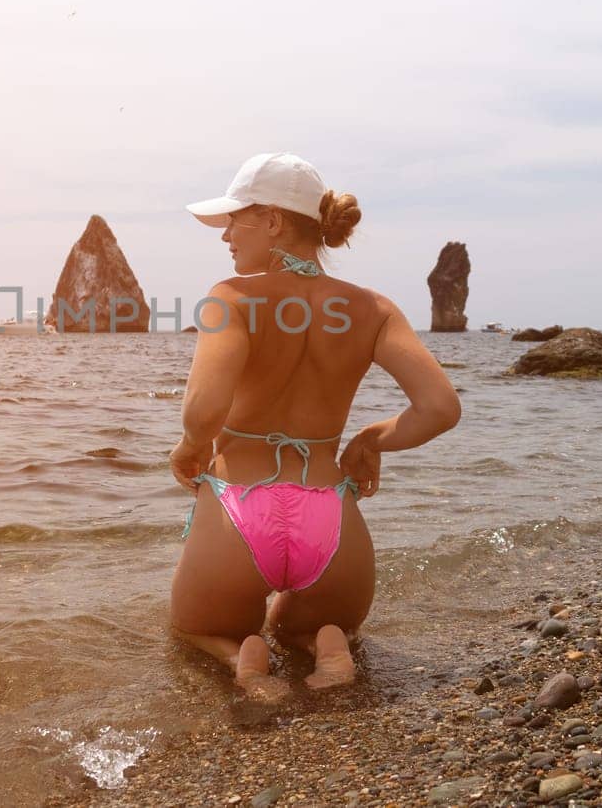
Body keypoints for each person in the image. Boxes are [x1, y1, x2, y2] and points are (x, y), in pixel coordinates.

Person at [169, 152, 461, 698]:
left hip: (238, 514)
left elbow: (204, 412)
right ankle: (322, 640)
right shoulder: (373, 308)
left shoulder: (231, 296)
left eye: (236, 218)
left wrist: (190, 446)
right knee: (307, 623)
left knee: (195, 630)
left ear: (274, 220)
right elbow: (441, 409)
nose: (226, 235)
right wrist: (373, 438)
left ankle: (240, 657)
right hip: (333, 520)